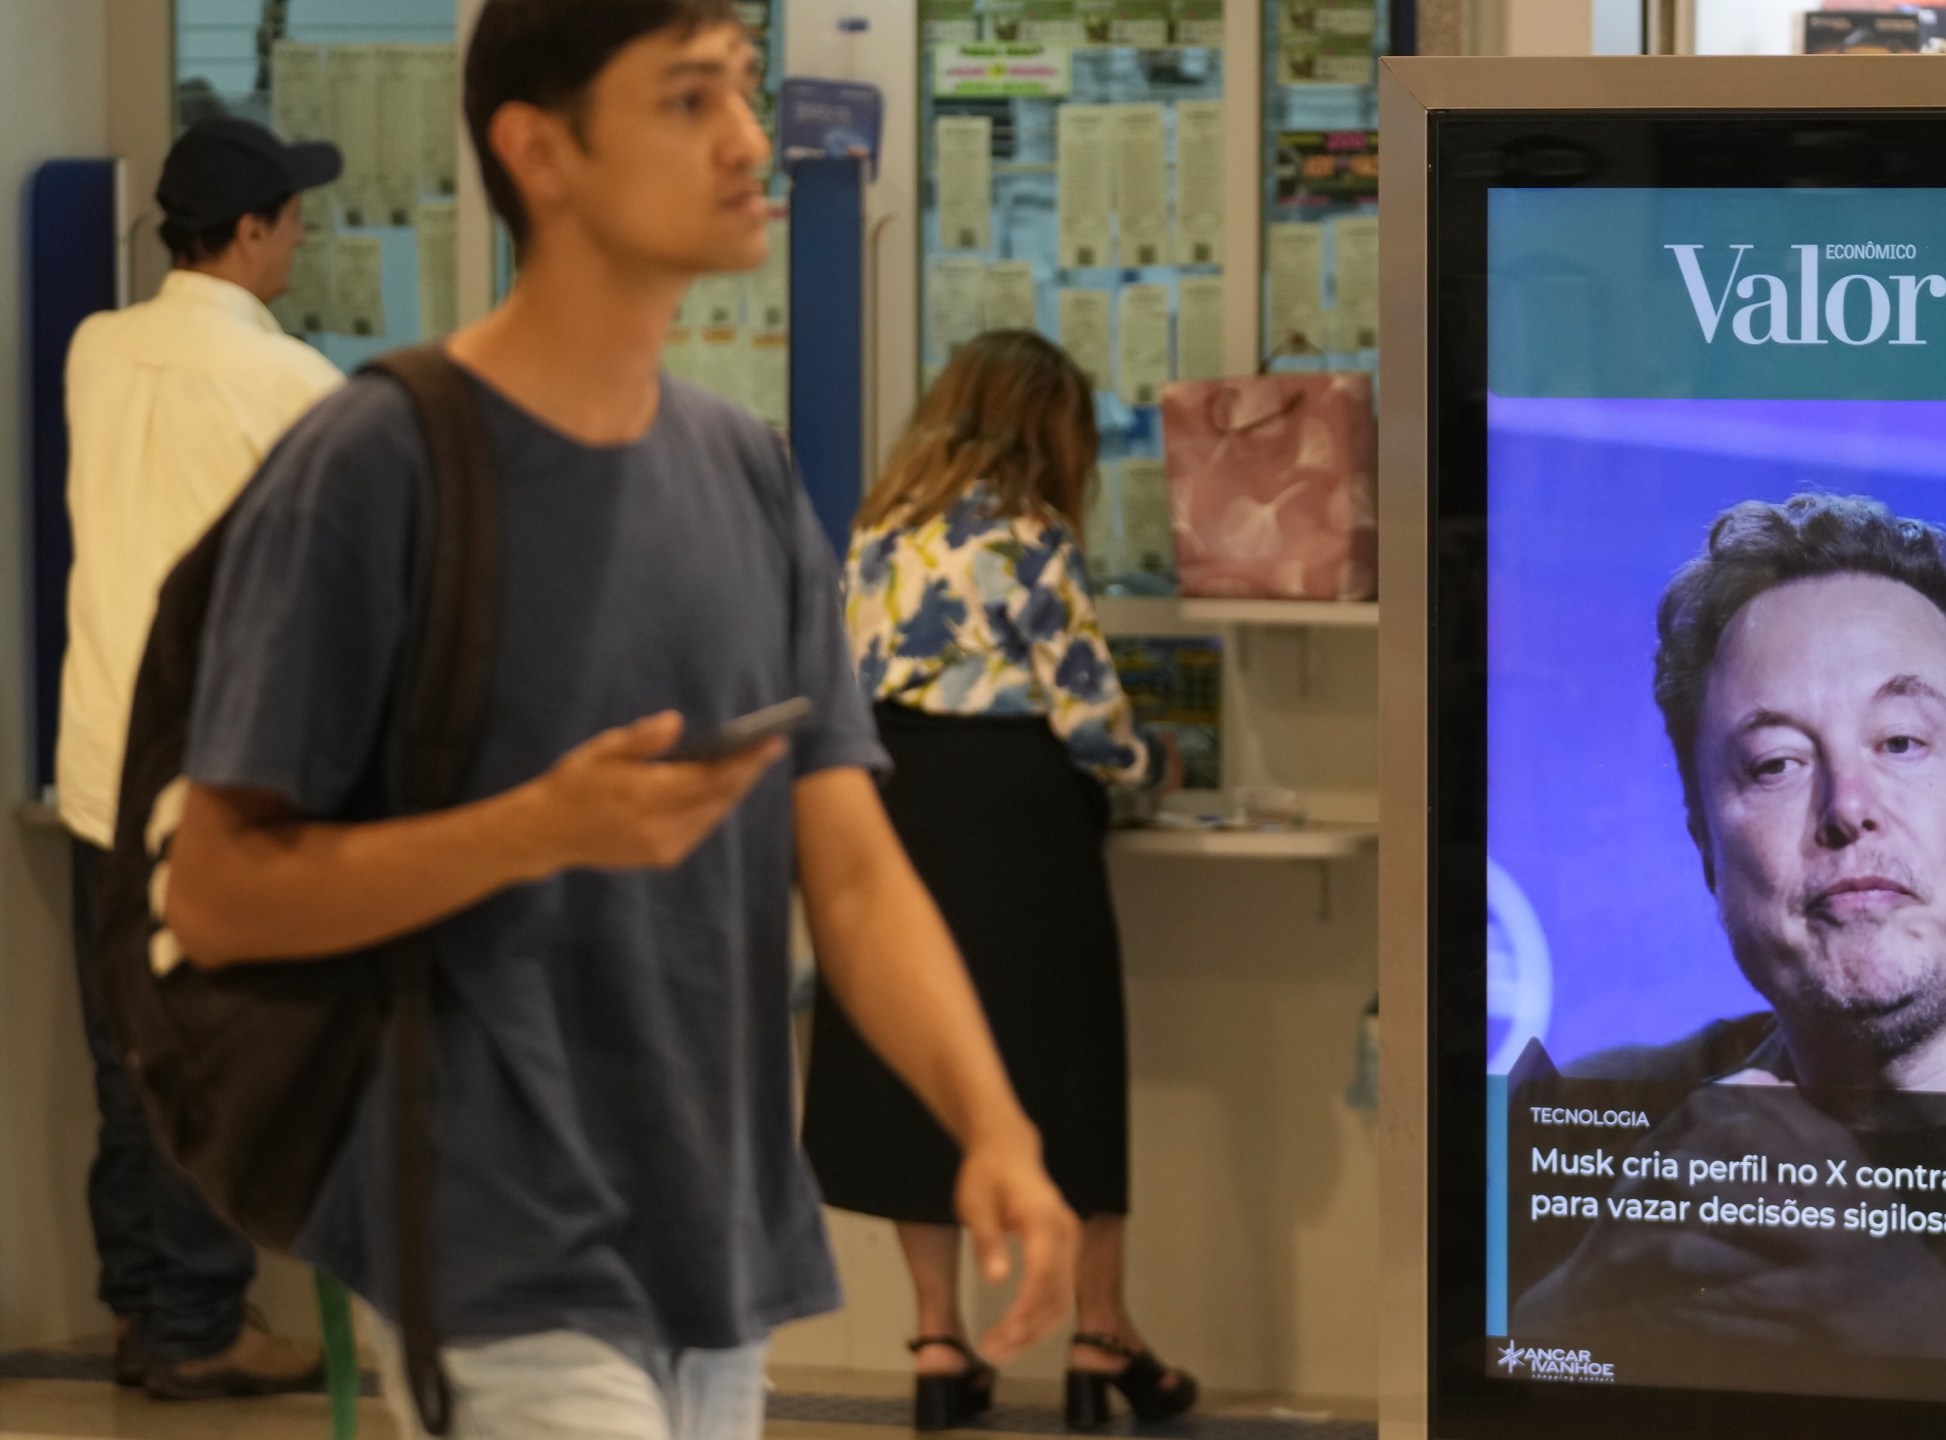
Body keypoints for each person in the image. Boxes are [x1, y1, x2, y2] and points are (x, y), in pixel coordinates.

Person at [157, 4, 1079, 1437]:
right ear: (543, 150)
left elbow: (848, 865)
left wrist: (996, 1127)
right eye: (689, 99)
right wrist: (531, 831)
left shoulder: (744, 477)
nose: (748, 141)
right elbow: (216, 890)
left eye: (745, 94)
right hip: (490, 1236)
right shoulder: (382, 462)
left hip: (716, 1244)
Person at [1503, 493, 1946, 1380]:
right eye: (1777, 764)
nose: (1848, 809)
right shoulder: (1592, 1124)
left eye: (1901, 742)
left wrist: (1940, 1339)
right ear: (1706, 848)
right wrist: (1570, 1314)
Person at [802, 329, 1197, 1433]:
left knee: (912, 1069)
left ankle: (937, 1342)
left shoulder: (875, 537)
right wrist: (1156, 765)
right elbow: (1090, 722)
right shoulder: (1032, 539)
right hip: (1015, 819)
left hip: (889, 806)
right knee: (1066, 1073)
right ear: (1047, 432)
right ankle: (1096, 1335)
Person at [55, 114, 344, 1401]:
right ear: (245, 232)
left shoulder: (97, 351)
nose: (302, 236)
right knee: (206, 1050)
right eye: (291, 217)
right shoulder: (292, 385)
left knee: (127, 1043)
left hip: (95, 759)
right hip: (210, 771)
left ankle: (140, 1305)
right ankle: (197, 1324)